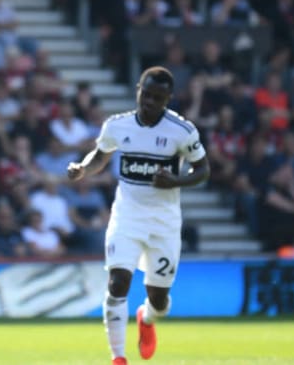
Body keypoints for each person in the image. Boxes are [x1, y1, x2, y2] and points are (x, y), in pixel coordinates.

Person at [67, 66, 210, 365]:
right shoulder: (117, 126)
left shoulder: (182, 132)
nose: (149, 102)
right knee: (117, 282)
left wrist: (177, 180)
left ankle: (147, 318)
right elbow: (101, 156)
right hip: (127, 217)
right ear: (138, 90)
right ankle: (118, 357)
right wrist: (83, 168)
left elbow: (204, 169)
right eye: (146, 95)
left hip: (164, 223)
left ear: (168, 98)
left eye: (158, 97)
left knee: (159, 300)